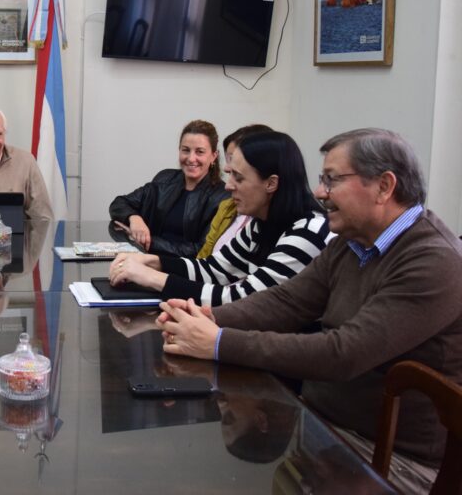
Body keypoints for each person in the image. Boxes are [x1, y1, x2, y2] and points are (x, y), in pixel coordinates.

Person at [156, 128, 462, 493]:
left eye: (332, 180)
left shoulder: (433, 262)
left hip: (393, 458)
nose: (320, 192)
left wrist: (219, 342)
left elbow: (343, 353)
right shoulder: (352, 241)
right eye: (322, 180)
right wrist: (205, 319)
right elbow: (286, 301)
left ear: (384, 186)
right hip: (321, 426)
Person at [109, 131, 332, 306]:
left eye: (238, 177)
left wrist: (152, 277)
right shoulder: (260, 224)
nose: (228, 185)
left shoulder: (307, 232)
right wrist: (154, 262)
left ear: (271, 183)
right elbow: (214, 270)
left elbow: (242, 299)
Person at [109, 119, 228, 257]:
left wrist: (149, 242)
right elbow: (118, 204)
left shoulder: (223, 196)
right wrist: (134, 218)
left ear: (214, 156)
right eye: (186, 150)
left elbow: (200, 249)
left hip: (181, 272)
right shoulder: (164, 179)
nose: (191, 158)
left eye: (199, 152)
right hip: (145, 261)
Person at [196, 124, 273, 258]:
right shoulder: (227, 207)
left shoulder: (275, 224)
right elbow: (206, 261)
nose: (227, 167)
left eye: (234, 158)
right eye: (228, 159)